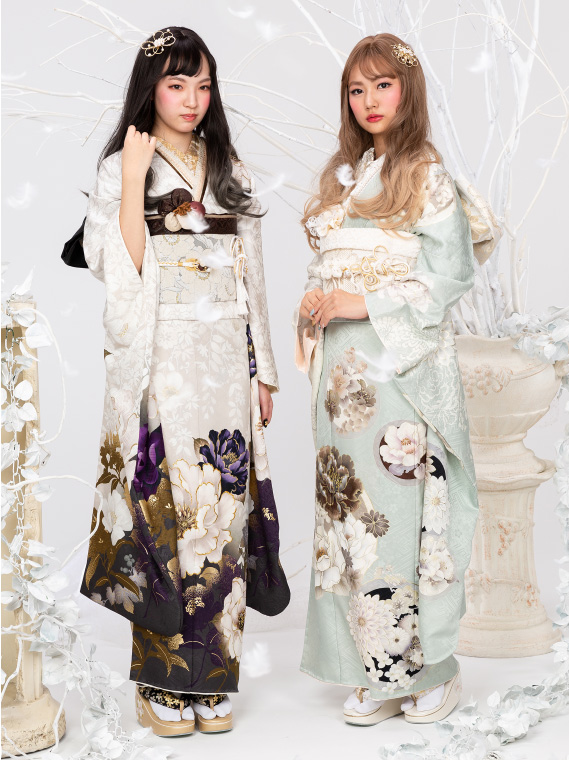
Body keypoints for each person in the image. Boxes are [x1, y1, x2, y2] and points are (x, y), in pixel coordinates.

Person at [79, 26, 289, 736]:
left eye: (202, 85)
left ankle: (215, 673)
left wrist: (264, 370)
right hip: (160, 351)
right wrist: (132, 182)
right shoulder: (122, 166)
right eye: (176, 84)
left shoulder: (229, 167)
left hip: (225, 355)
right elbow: (119, 270)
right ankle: (161, 679)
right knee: (163, 509)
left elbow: (253, 275)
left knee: (222, 509)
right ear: (152, 90)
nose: (192, 99)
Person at [294, 33, 485, 726]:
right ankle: (374, 672)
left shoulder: (424, 173)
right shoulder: (345, 175)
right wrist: (318, 302)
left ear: (408, 91)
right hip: (343, 378)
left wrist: (362, 302)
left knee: (404, 512)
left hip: (397, 365)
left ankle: (431, 670)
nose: (369, 100)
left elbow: (449, 274)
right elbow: (329, 267)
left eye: (382, 85)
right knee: (350, 517)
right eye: (356, 89)